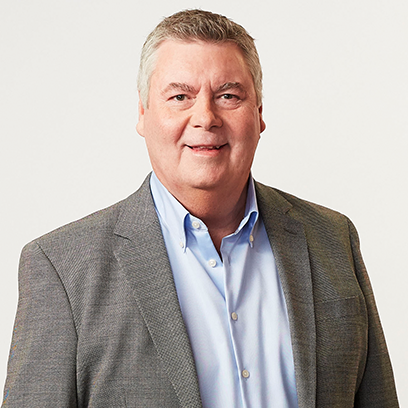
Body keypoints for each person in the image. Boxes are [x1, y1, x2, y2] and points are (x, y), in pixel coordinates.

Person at [2, 9, 399, 408]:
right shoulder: (62, 269)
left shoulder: (333, 240)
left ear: (259, 114)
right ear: (142, 114)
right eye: (180, 97)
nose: (206, 117)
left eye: (228, 95)